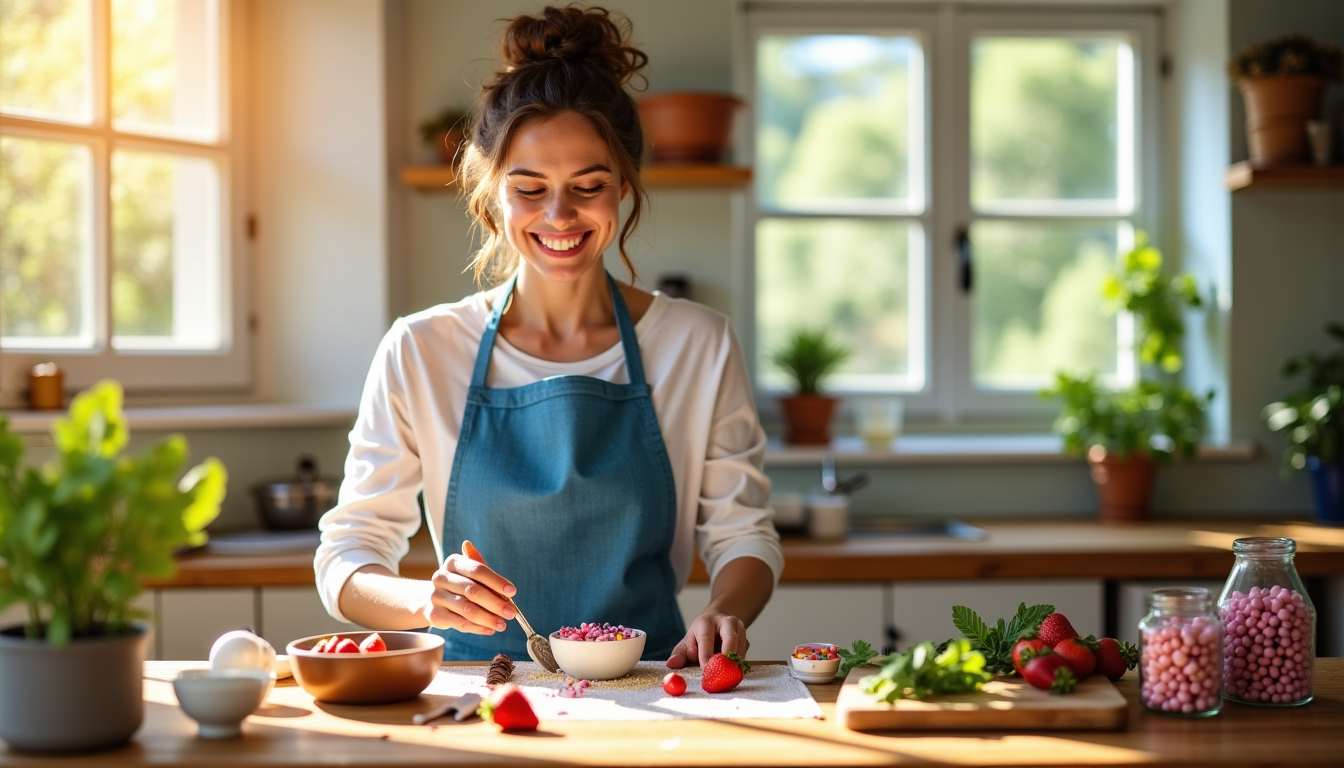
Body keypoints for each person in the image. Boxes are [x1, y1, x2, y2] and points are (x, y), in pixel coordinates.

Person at [314, 4, 781, 667]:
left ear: (623, 186)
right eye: (529, 188)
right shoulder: (421, 350)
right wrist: (425, 602)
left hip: (651, 686)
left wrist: (725, 609)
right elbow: (346, 556)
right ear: (490, 194)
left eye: (586, 186)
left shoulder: (697, 344)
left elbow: (745, 535)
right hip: (481, 691)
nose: (559, 215)